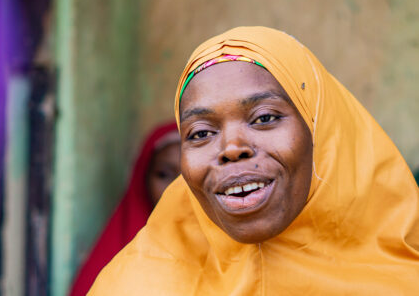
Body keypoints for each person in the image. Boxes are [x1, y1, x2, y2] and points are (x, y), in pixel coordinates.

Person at [89, 26, 419, 295]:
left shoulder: (401, 282)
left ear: (320, 133)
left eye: (264, 118)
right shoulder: (134, 287)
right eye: (201, 133)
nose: (232, 148)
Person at [69, 122, 180, 296]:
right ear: (142, 179)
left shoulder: (233, 256)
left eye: (190, 176)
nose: (177, 188)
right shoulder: (111, 261)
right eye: (164, 175)